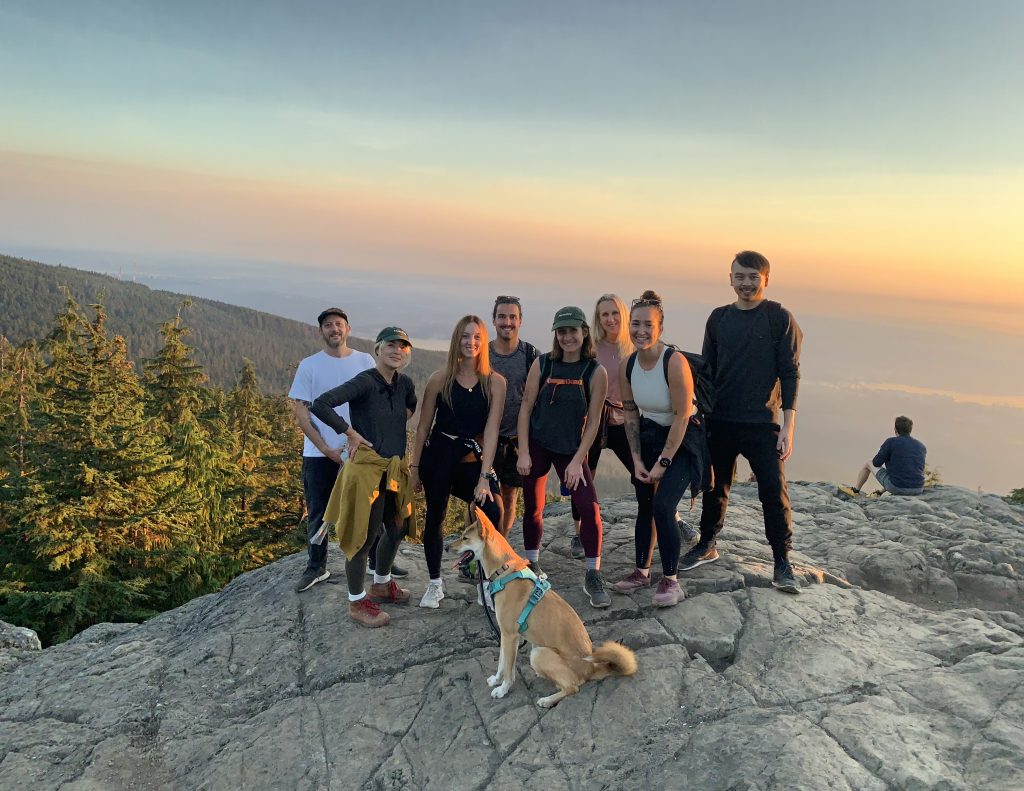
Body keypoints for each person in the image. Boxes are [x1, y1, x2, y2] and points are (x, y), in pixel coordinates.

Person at [682, 251, 804, 594]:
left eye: (754, 277)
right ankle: (707, 542)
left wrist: (789, 425)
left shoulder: (778, 317)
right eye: (741, 276)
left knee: (772, 490)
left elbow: (790, 373)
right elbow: (707, 369)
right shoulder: (719, 318)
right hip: (720, 418)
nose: (747, 283)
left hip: (762, 422)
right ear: (730, 278)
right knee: (714, 486)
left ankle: (782, 561)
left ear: (766, 280)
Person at [311, 327, 418, 627]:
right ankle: (356, 602)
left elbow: (409, 407)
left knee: (396, 529)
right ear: (378, 350)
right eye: (391, 346)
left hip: (393, 469)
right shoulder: (365, 382)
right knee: (364, 537)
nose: (397, 351)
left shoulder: (405, 384)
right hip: (367, 471)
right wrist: (349, 432)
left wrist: (388, 428)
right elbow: (321, 403)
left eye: (403, 347)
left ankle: (381, 584)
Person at [614, 290, 707, 607]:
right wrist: (637, 458)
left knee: (664, 506)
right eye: (635, 324)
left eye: (647, 325)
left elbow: (682, 416)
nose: (640, 331)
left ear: (660, 328)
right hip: (650, 436)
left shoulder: (674, 362)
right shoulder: (628, 365)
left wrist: (662, 463)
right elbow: (629, 412)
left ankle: (671, 580)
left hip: (684, 440)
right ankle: (642, 571)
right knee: (645, 503)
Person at [517, 306, 611, 608]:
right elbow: (526, 406)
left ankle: (592, 574)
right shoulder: (543, 364)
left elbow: (594, 420)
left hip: (571, 449)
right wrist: (523, 450)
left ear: (584, 332)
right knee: (533, 505)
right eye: (562, 331)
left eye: (573, 330)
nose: (568, 336)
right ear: (556, 334)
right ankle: (532, 563)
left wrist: (576, 460)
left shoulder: (595, 372)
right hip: (538, 444)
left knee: (589, 508)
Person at [411, 315, 506, 609]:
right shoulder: (440, 379)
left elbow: (491, 432)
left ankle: (486, 583)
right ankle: (435, 583)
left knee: (492, 509)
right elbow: (423, 427)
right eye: (465, 336)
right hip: (438, 455)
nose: (471, 342)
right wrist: (414, 468)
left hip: (470, 459)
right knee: (435, 516)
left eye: (477, 337)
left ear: (483, 342)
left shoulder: (495, 383)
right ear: (457, 340)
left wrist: (484, 477)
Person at [288, 307, 375, 593]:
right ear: (321, 331)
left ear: (348, 329)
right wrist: (326, 449)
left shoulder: (365, 361)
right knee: (319, 511)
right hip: (318, 453)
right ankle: (316, 566)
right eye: (328, 325)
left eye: (339, 324)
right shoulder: (309, 365)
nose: (334, 329)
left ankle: (377, 560)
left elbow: (376, 404)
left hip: (360, 451)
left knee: (370, 508)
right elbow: (302, 413)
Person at [565, 294, 635, 560]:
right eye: (604, 314)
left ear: (623, 315)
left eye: (614, 313)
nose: (610, 319)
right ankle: (578, 532)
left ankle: (670, 519)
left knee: (644, 472)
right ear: (598, 319)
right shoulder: (591, 348)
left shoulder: (634, 347)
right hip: (593, 420)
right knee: (582, 475)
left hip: (624, 421)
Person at [488, 296, 539, 536]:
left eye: (512, 317)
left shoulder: (530, 355)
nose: (507, 322)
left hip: (518, 439)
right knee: (479, 495)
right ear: (493, 320)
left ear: (520, 321)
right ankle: (473, 554)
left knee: (509, 497)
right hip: (484, 436)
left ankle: (501, 546)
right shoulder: (482, 354)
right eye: (502, 317)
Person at [849, 416, 926, 496]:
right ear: (910, 430)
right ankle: (879, 493)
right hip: (918, 489)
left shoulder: (891, 442)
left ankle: (855, 491)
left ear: (895, 429)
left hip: (897, 488)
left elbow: (876, 463)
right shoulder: (921, 446)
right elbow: (916, 470)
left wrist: (882, 451)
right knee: (901, 470)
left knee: (868, 463)